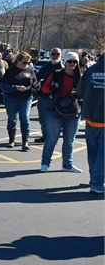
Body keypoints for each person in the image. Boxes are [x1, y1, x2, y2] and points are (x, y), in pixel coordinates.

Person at [39, 51, 83, 173]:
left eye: (75, 61)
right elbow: (44, 88)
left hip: (73, 112)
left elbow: (85, 92)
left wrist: (78, 96)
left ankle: (67, 165)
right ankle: (45, 163)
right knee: (52, 138)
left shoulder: (80, 77)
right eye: (69, 61)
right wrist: (53, 89)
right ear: (65, 62)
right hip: (55, 110)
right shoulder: (57, 74)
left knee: (69, 140)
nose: (72, 64)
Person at [76, 52, 104, 195]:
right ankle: (97, 183)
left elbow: (79, 92)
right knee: (102, 154)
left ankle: (95, 179)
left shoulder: (91, 70)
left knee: (93, 152)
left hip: (90, 118)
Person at [0, 51, 39, 150]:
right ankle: (11, 140)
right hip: (11, 98)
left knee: (24, 118)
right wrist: (15, 87)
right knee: (12, 118)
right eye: (24, 63)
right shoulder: (11, 71)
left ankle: (25, 142)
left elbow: (35, 84)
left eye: (28, 63)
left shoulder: (30, 71)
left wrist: (36, 86)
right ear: (18, 61)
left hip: (26, 97)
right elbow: (3, 86)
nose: (26, 65)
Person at [34, 47, 63, 143]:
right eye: (53, 54)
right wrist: (37, 90)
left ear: (61, 55)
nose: (55, 56)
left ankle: (53, 136)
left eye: (57, 54)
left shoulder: (63, 68)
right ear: (50, 55)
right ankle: (45, 135)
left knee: (56, 118)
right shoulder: (45, 66)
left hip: (58, 98)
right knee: (42, 117)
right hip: (44, 96)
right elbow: (38, 79)